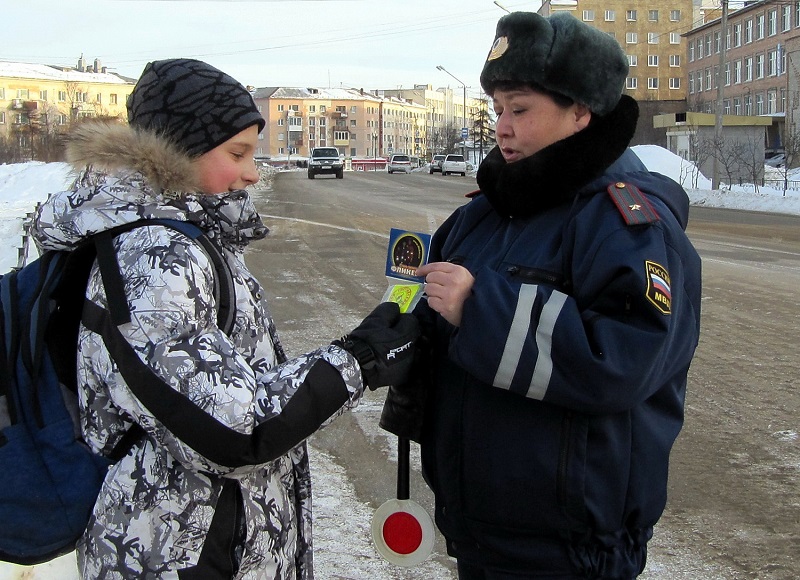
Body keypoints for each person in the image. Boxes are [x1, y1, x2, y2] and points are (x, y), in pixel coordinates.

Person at [32, 58, 419, 579]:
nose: (253, 173)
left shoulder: (178, 234)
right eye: (237, 153)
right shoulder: (152, 253)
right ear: (177, 151)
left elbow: (227, 382)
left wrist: (359, 349)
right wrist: (359, 359)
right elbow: (232, 429)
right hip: (179, 553)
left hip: (200, 542)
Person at [381, 11, 702, 579]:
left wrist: (478, 307)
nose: (503, 127)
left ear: (581, 111)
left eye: (520, 109)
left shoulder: (628, 224)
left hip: (570, 550)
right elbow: (433, 324)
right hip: (480, 528)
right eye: (498, 110)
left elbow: (623, 359)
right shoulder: (479, 216)